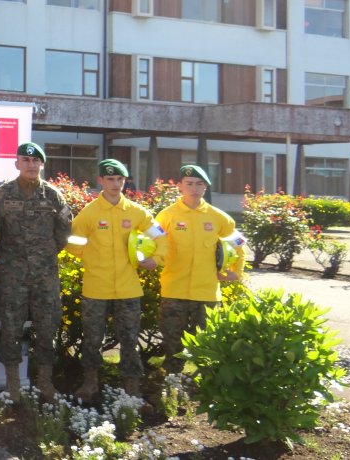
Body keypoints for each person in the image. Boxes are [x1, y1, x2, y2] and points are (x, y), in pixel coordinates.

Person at [66, 159, 163, 401]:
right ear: (100, 180)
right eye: (110, 179)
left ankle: (131, 387)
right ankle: (90, 384)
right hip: (96, 287)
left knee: (130, 340)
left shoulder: (136, 212)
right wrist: (90, 255)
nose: (115, 184)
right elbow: (71, 242)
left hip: (128, 289)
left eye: (120, 179)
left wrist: (155, 258)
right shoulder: (90, 213)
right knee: (92, 338)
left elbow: (160, 235)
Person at [0, 142, 73, 403]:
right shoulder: (2, 195)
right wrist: (10, 259)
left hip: (44, 276)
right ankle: (13, 385)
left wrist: (42, 255)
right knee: (11, 328)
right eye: (25, 160)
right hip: (11, 275)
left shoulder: (53, 196)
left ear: (41, 165)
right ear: (17, 164)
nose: (31, 165)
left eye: (36, 161)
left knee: (47, 327)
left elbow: (64, 232)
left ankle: (45, 382)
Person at [154, 164, 244, 375]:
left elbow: (238, 245)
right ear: (179, 186)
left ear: (206, 187)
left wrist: (235, 271)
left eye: (199, 184)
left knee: (207, 345)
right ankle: (171, 384)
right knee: (172, 344)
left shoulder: (219, 217)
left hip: (207, 292)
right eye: (189, 184)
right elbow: (153, 243)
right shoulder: (166, 216)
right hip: (174, 290)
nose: (194, 188)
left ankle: (204, 387)